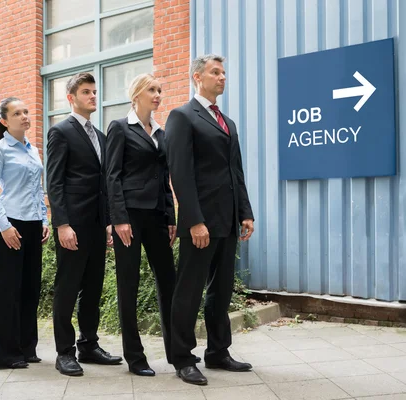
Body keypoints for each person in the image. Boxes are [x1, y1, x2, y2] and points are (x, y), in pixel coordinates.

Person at [165, 54, 255, 385]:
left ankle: (218, 351)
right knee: (189, 290)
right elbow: (180, 173)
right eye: (215, 72)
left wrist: (245, 212)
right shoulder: (182, 117)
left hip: (227, 220)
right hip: (200, 222)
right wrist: (194, 220)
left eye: (224, 72)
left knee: (221, 289)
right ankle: (182, 358)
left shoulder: (226, 122)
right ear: (197, 77)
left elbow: (236, 171)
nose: (222, 77)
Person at [46, 72, 122, 377]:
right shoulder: (60, 132)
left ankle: (89, 345)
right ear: (71, 98)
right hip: (72, 226)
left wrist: (107, 223)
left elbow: (104, 184)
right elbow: (55, 182)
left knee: (92, 288)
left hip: (95, 226)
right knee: (67, 288)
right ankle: (64, 352)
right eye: (86, 92)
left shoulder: (101, 136)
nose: (93, 96)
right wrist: (62, 224)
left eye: (94, 91)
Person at [105, 73, 177, 377]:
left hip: (157, 218)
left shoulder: (160, 133)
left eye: (159, 90)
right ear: (137, 94)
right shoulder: (120, 128)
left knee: (169, 283)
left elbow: (165, 179)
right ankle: (135, 357)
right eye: (152, 89)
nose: (158, 94)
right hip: (130, 219)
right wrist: (118, 219)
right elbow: (112, 176)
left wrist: (171, 217)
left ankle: (178, 350)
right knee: (129, 285)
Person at [0, 97, 50, 369]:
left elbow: (38, 189)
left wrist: (44, 219)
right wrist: (5, 226)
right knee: (8, 291)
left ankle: (26, 348)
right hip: (9, 225)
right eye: (17, 113)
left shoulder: (33, 150)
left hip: (33, 225)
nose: (24, 116)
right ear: (4, 121)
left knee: (30, 290)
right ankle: (5, 355)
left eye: (26, 111)